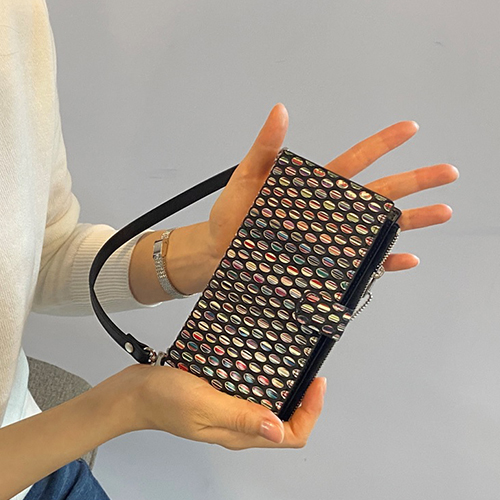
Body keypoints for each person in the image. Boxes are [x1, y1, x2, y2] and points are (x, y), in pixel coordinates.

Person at [0, 1, 459, 499]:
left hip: (40, 456)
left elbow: (41, 250)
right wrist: (125, 404)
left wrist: (208, 252)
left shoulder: (19, 15)